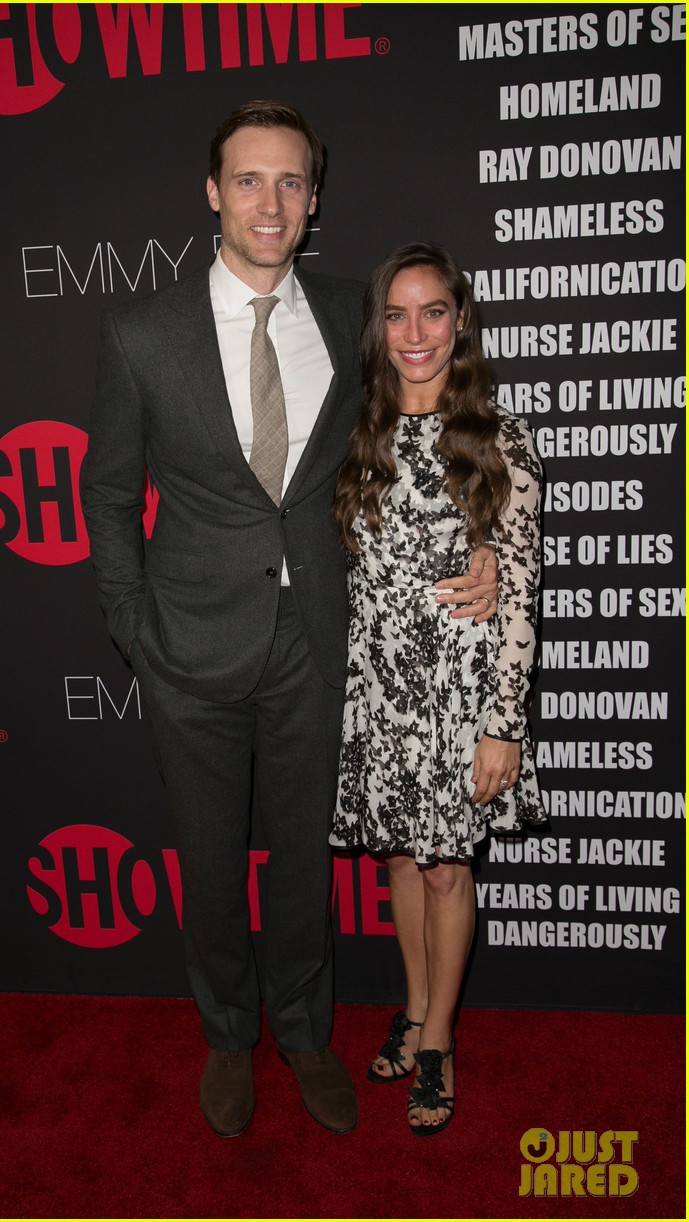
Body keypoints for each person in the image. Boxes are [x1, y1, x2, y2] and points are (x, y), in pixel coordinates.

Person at [82, 104, 498, 1139]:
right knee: (213, 865)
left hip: (322, 637)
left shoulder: (355, 309)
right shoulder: (142, 333)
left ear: (313, 198)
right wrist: (136, 630)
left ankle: (306, 1034)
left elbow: (432, 430)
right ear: (212, 191)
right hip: (188, 644)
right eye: (250, 180)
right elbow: (106, 491)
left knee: (305, 868)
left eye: (293, 182)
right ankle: (229, 1034)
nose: (273, 202)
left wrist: (485, 534)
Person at [331, 243, 545, 1135]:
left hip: (459, 696)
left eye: (432, 312)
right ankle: (415, 1008)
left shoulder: (499, 439)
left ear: (461, 322)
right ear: (378, 330)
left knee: (448, 869)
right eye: (396, 314)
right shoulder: (356, 431)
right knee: (399, 862)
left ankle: (438, 1043)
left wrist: (502, 725)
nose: (414, 333)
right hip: (380, 685)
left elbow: (522, 593)